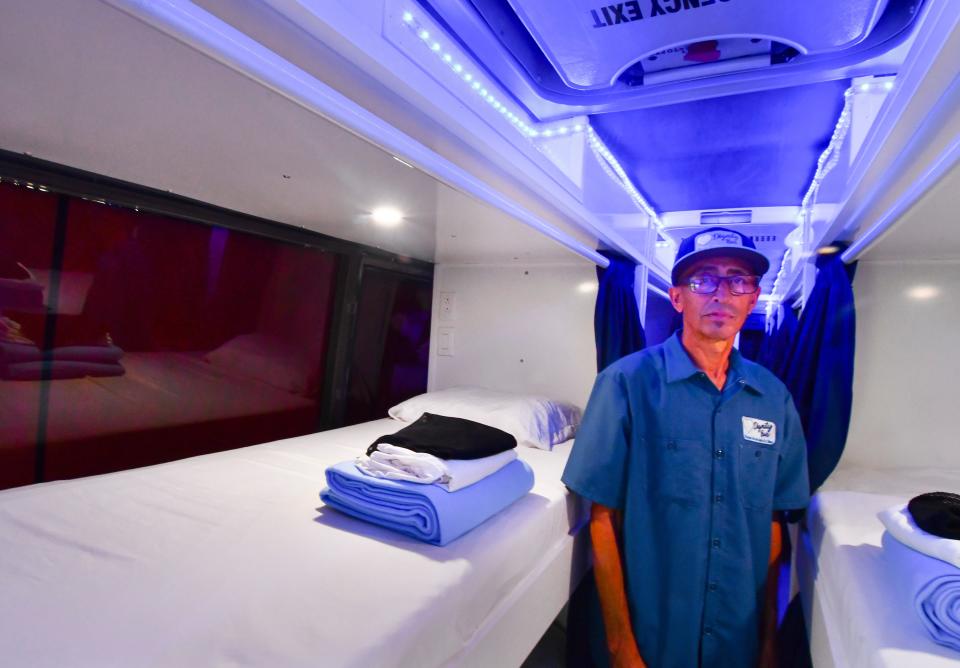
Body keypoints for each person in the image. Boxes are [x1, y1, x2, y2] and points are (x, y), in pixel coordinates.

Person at [562, 227, 810, 668]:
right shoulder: (625, 383)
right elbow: (601, 517)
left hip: (739, 635)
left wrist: (768, 640)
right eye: (703, 280)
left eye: (738, 280)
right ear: (677, 298)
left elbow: (774, 521)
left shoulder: (774, 397)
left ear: (752, 299)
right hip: (654, 634)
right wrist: (620, 645)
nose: (722, 293)